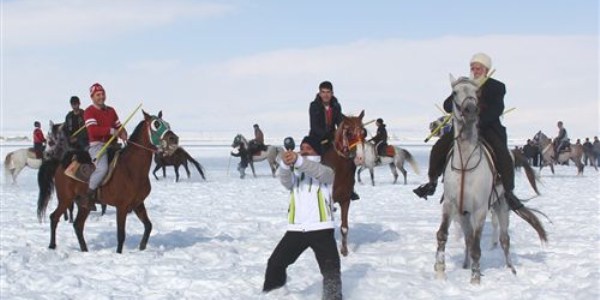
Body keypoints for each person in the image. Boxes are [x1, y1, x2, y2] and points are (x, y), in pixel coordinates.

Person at [413, 53, 525, 211]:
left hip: (487, 128)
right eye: (472, 67)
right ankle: (432, 182)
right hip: (463, 129)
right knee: (439, 146)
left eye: (478, 68)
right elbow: (447, 106)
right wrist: (457, 93)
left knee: (502, 152)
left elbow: (497, 109)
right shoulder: (464, 85)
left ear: (486, 69)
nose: (475, 70)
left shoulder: (497, 86)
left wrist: (478, 121)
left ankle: (508, 192)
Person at [262, 135, 342, 300]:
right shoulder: (296, 173)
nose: (304, 151)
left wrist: (298, 160)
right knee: (275, 264)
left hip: (321, 229)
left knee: (331, 272)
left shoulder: (326, 169)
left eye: (308, 149)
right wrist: (285, 163)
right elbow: (284, 180)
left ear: (317, 152)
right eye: (302, 148)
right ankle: (273, 295)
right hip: (296, 230)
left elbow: (320, 173)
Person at [75, 83, 127, 211]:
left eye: (103, 94)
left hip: (113, 145)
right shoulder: (89, 111)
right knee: (102, 169)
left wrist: (123, 132)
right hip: (97, 146)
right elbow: (93, 131)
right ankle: (88, 195)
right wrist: (110, 131)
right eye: (98, 95)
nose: (101, 97)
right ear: (92, 97)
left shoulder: (111, 110)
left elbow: (118, 126)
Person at [309, 80, 359, 200]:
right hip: (317, 137)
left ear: (332, 93)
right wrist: (326, 135)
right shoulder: (314, 105)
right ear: (319, 93)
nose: (326, 95)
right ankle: (315, 189)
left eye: (328, 92)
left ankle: (350, 188)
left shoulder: (336, 105)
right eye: (323, 92)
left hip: (332, 137)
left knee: (349, 158)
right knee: (316, 159)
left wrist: (348, 126)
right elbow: (314, 125)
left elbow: (339, 122)